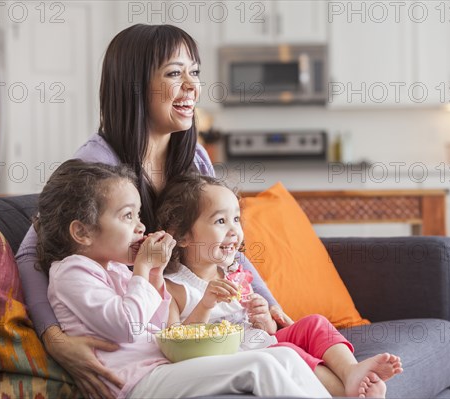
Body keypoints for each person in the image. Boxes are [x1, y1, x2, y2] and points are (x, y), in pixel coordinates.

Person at [15, 24, 293, 397]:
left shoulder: (193, 157)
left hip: (189, 320)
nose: (192, 86)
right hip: (149, 341)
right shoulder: (98, 165)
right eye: (175, 73)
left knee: (295, 359)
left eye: (194, 72)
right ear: (133, 86)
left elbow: (226, 244)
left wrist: (272, 306)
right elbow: (32, 251)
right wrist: (55, 339)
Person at [34, 159, 330, 399]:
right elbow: (127, 326)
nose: (140, 227)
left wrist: (153, 273)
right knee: (260, 365)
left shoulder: (112, 269)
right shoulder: (71, 272)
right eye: (127, 217)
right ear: (82, 232)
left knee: (285, 358)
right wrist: (142, 269)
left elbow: (160, 325)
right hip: (135, 383)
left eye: (139, 216)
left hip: (161, 368)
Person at [155, 174, 404, 398]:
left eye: (236, 219)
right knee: (288, 351)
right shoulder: (173, 286)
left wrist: (263, 318)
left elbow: (267, 330)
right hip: (236, 356)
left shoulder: (233, 274)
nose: (234, 230)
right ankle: (346, 393)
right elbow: (176, 346)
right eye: (220, 221)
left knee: (314, 323)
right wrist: (206, 304)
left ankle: (351, 371)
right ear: (182, 235)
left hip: (258, 338)